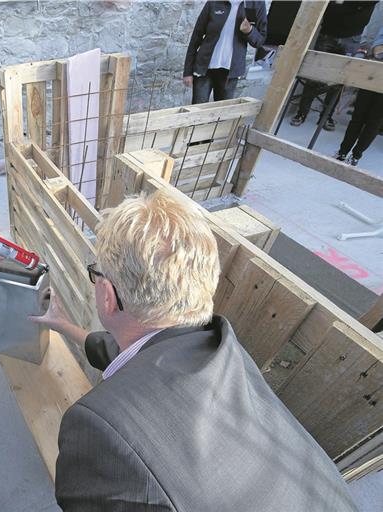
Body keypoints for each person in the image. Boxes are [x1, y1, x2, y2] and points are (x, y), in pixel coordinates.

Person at [30, 190, 357, 511]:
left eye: (96, 273)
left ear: (107, 295)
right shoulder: (219, 346)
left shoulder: (99, 428)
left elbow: (76, 501)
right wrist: (61, 324)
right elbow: (133, 354)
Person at [290, 1, 377, 131]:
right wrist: (354, 6)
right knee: (313, 76)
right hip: (328, 33)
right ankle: (302, 113)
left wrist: (344, 4)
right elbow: (328, 8)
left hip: (352, 38)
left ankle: (326, 116)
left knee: (338, 80)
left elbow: (365, 10)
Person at [183, 0, 267, 104]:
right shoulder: (214, 2)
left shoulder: (256, 3)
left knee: (221, 114)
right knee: (197, 112)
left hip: (230, 73)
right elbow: (196, 37)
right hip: (204, 68)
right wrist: (187, 72)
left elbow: (259, 41)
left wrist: (249, 31)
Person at [333, 27, 383, 166]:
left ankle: (356, 155)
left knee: (375, 121)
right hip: (374, 71)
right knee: (358, 116)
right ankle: (343, 151)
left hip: (375, 68)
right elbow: (377, 47)